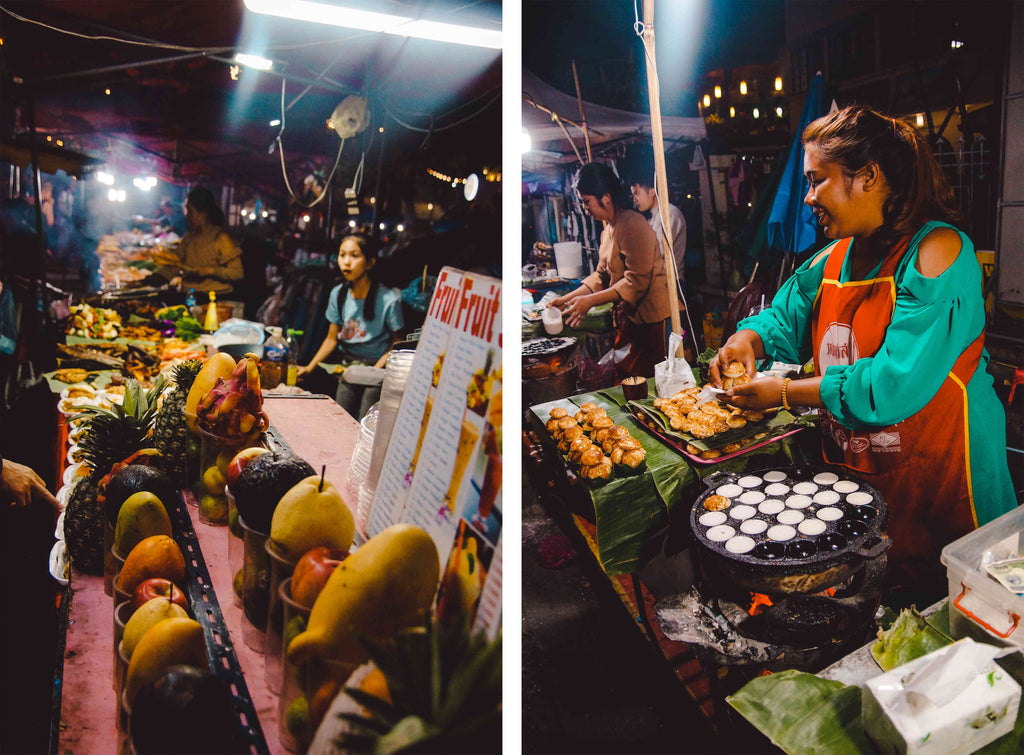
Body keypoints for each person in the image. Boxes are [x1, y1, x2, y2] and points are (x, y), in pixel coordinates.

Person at [710, 105, 1016, 603]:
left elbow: (891, 385)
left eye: (817, 180)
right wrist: (746, 341)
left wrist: (785, 392)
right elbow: (784, 317)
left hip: (944, 481)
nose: (808, 197)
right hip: (864, 478)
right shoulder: (834, 256)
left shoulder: (939, 251)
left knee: (955, 620)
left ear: (868, 177)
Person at [551, 163, 671, 379]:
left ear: (606, 197)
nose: (585, 207)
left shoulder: (632, 224)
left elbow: (636, 281)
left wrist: (590, 301)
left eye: (587, 201)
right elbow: (601, 276)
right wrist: (566, 300)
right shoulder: (608, 229)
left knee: (646, 382)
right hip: (632, 320)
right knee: (624, 377)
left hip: (652, 322)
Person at [296, 233, 404, 419]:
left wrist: (376, 370)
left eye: (354, 256)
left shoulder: (389, 299)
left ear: (370, 262)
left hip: (377, 366)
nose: (346, 262)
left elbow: (397, 343)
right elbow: (331, 339)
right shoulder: (338, 294)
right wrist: (309, 367)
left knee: (366, 415)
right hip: (348, 366)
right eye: (342, 254)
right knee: (340, 416)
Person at [169, 187, 243, 294]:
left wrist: (210, 271)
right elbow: (174, 265)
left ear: (203, 212)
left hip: (213, 298)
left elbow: (237, 273)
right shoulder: (189, 238)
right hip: (189, 295)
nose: (187, 215)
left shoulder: (221, 239)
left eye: (190, 211)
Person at [630, 176, 686, 281]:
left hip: (671, 283)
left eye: (637, 193)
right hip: (654, 282)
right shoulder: (648, 217)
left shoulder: (669, 213)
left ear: (652, 192)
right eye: (632, 195)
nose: (634, 199)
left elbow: (655, 251)